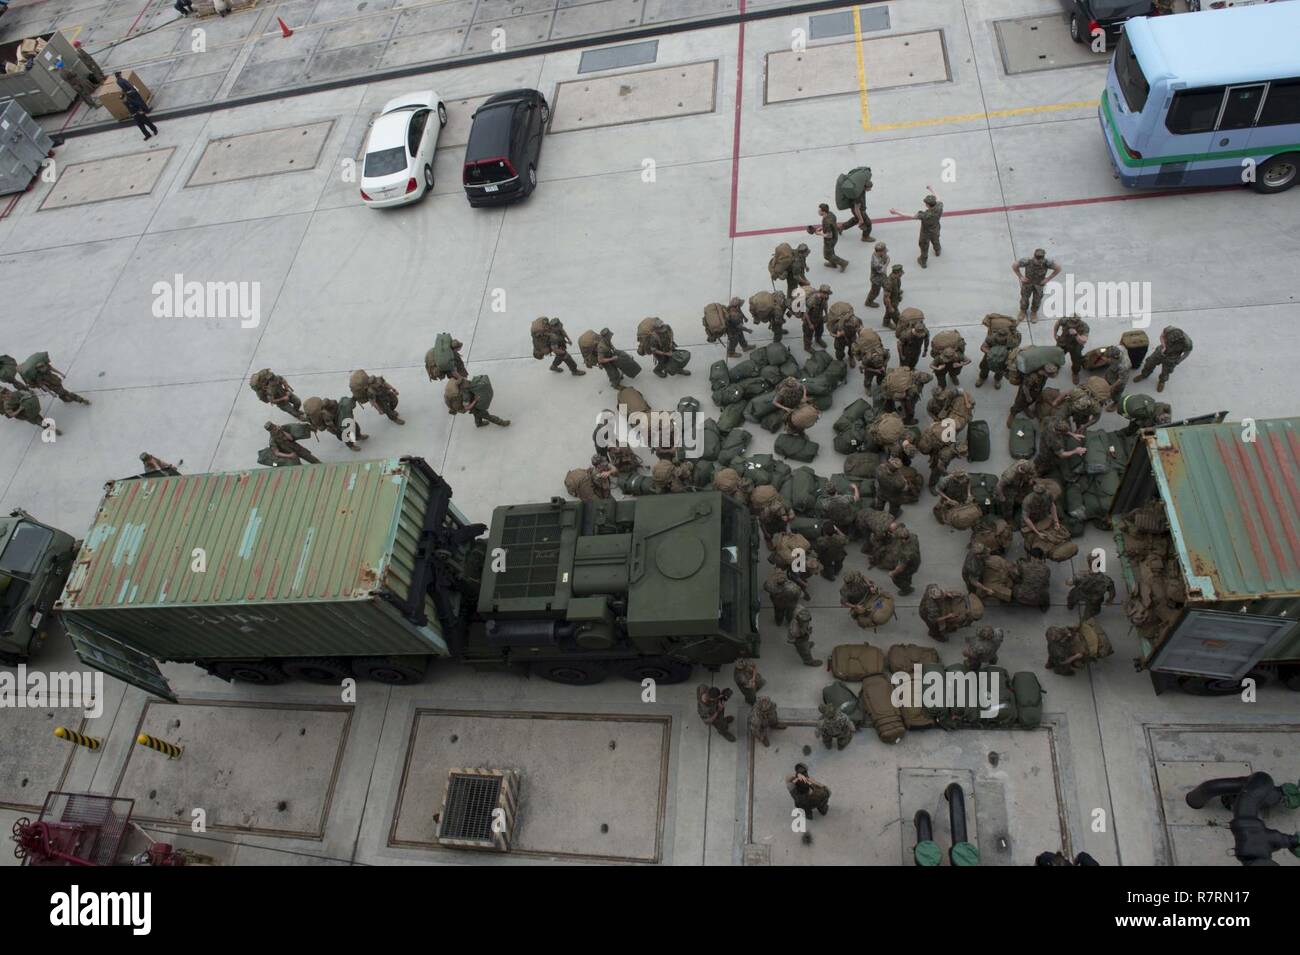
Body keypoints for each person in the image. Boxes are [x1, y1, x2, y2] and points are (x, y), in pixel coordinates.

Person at [890, 187, 942, 268]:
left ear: (928, 205)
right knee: (936, 240)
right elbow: (938, 197)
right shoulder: (939, 206)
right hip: (936, 229)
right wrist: (931, 189)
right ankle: (937, 251)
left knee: (924, 247)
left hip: (926, 234)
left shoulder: (924, 215)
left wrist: (896, 212)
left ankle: (923, 261)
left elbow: (910, 216)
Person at [1133, 326, 1193, 393]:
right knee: (1149, 362)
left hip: (1172, 357)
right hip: (1161, 351)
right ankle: (1144, 374)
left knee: (1166, 371)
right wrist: (1164, 346)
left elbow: (1187, 353)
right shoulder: (1169, 330)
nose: (1171, 341)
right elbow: (1162, 336)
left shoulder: (1187, 343)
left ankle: (1162, 381)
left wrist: (1179, 360)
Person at [1012, 248, 1061, 323]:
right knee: (1024, 299)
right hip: (1028, 283)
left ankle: (1034, 312)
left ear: (1043, 258)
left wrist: (1047, 279)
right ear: (1034, 256)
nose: (1038, 261)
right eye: (1037, 258)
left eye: (1040, 259)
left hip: (1039, 284)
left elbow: (1058, 268)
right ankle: (1023, 311)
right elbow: (1015, 265)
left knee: (1037, 300)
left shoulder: (1047, 262)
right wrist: (1021, 277)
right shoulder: (1027, 261)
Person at [20, 355, 90, 404]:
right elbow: (43, 386)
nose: (44, 367)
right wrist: (51, 393)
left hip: (57, 381)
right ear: (38, 369)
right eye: (42, 367)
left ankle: (64, 399)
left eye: (44, 365)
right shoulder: (38, 377)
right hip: (53, 387)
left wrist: (61, 374)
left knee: (62, 393)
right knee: (66, 393)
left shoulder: (46, 367)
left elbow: (53, 369)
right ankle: (81, 400)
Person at [882, 523, 921, 595]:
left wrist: (893, 573)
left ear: (903, 540)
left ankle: (906, 589)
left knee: (897, 577)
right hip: (916, 560)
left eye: (898, 538)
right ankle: (908, 580)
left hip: (909, 565)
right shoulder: (913, 536)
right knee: (907, 574)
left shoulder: (906, 553)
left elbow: (901, 568)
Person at [1052, 315, 1091, 384]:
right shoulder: (1065, 320)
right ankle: (1057, 365)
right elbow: (1057, 323)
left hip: (1075, 346)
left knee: (1077, 361)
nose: (1073, 322)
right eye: (1071, 320)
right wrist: (1055, 334)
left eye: (1075, 320)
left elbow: (1083, 341)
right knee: (1057, 355)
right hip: (1063, 342)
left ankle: (1075, 373)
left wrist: (1076, 334)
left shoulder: (1084, 326)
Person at [813, 202, 848, 271]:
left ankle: (843, 263)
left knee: (827, 255)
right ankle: (833, 264)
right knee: (831, 251)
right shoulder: (830, 214)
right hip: (835, 236)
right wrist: (821, 228)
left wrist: (819, 233)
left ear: (823, 211)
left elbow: (829, 235)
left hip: (829, 240)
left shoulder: (826, 221)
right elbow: (832, 224)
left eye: (819, 210)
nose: (818, 211)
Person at [865, 242, 889, 309]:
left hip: (882, 276)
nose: (885, 253)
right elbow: (881, 270)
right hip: (876, 279)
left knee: (888, 285)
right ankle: (869, 302)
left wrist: (885, 262)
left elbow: (887, 258)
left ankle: (893, 293)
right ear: (879, 252)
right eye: (884, 251)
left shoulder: (881, 255)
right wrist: (886, 264)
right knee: (875, 292)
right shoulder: (875, 262)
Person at [882, 263, 904, 329]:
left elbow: (897, 288)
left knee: (888, 312)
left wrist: (898, 294)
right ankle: (899, 327)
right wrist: (890, 307)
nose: (902, 274)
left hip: (894, 300)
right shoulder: (889, 282)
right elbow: (886, 297)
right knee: (896, 315)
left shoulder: (897, 278)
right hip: (890, 302)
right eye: (900, 272)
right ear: (897, 272)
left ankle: (886, 322)